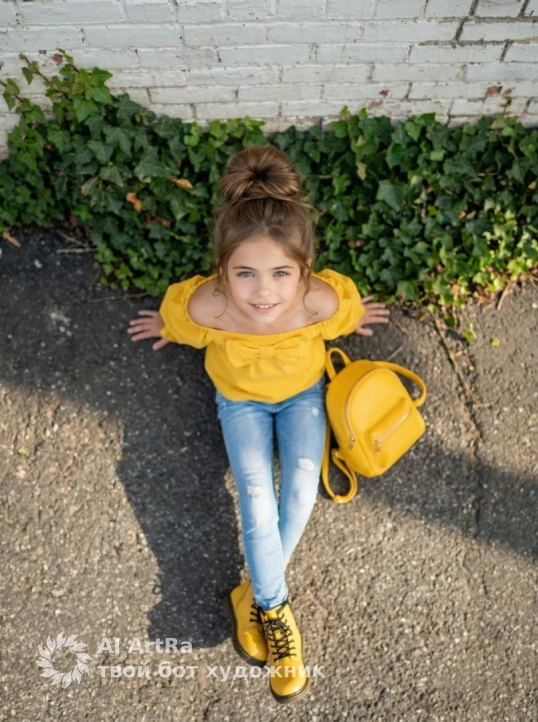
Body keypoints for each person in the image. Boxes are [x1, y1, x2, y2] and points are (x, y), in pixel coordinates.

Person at [127, 144, 389, 703]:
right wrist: (166, 327)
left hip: (303, 395)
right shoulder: (208, 307)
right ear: (221, 271)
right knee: (255, 499)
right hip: (239, 402)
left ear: (304, 272)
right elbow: (179, 321)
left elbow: (346, 311)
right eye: (244, 273)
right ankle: (275, 613)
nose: (264, 292)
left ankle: (252, 591)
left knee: (300, 494)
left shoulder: (319, 303)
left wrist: (357, 314)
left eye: (280, 274)